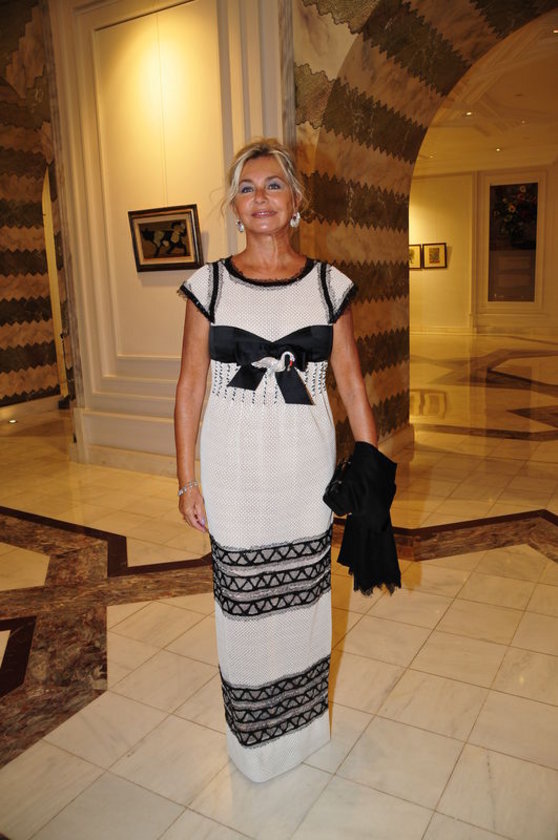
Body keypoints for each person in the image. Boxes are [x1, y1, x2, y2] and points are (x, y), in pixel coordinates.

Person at [174, 138, 378, 783]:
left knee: (304, 600)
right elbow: (190, 387)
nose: (259, 198)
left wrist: (370, 469)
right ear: (234, 206)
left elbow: (352, 383)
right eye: (246, 188)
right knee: (241, 602)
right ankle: (254, 743)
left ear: (296, 201)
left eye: (273, 186)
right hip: (232, 469)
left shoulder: (328, 286)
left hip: (304, 468)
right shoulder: (208, 285)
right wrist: (186, 480)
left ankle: (301, 731)